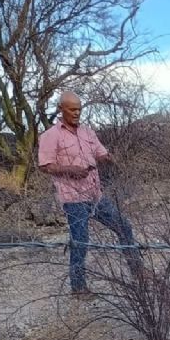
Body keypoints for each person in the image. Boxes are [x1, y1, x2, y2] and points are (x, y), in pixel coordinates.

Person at [38, 91, 141, 296]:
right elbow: (45, 165)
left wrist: (112, 158)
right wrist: (71, 170)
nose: (77, 113)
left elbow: (101, 153)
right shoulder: (50, 136)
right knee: (81, 239)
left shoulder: (87, 132)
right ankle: (78, 287)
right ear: (61, 109)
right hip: (73, 197)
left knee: (123, 226)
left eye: (79, 109)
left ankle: (138, 272)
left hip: (95, 195)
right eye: (72, 109)